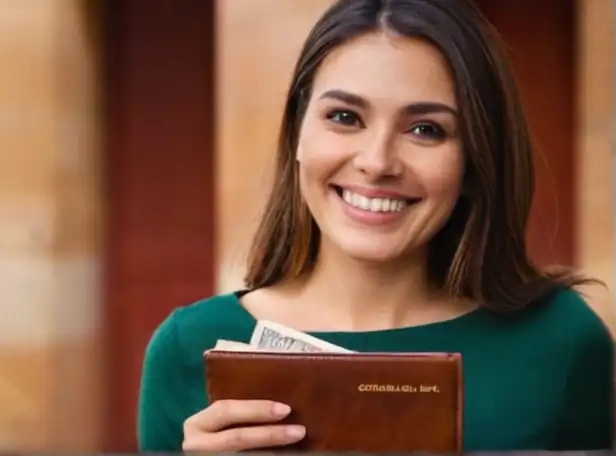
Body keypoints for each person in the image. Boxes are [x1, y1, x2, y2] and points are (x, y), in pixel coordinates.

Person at [137, 0, 614, 452]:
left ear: (474, 159)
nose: (377, 161)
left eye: (426, 129)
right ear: (298, 132)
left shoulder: (565, 341)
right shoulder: (187, 347)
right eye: (344, 117)